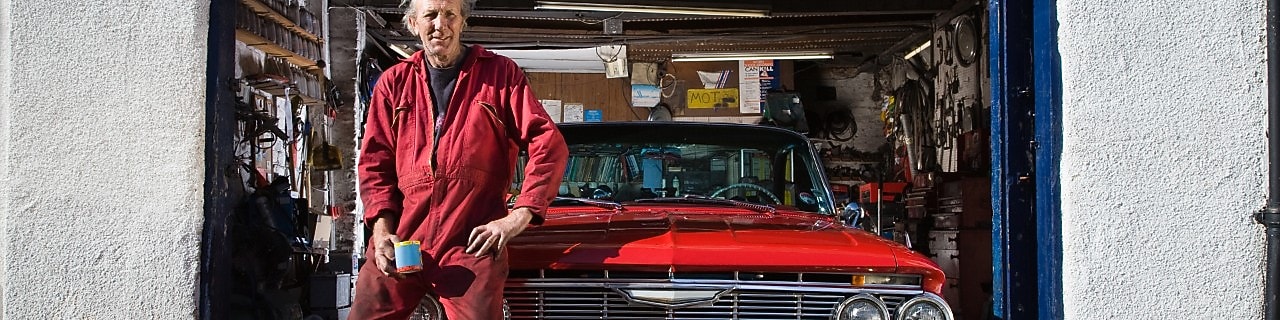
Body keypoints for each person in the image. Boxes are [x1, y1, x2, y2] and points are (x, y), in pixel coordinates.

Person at [351, 0, 568, 318]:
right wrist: (381, 232)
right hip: (403, 238)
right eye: (430, 15)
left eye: (450, 14)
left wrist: (516, 218)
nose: (441, 24)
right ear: (413, 24)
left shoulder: (500, 75)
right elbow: (375, 163)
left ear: (463, 22)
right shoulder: (393, 84)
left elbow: (548, 145)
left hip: (471, 242)